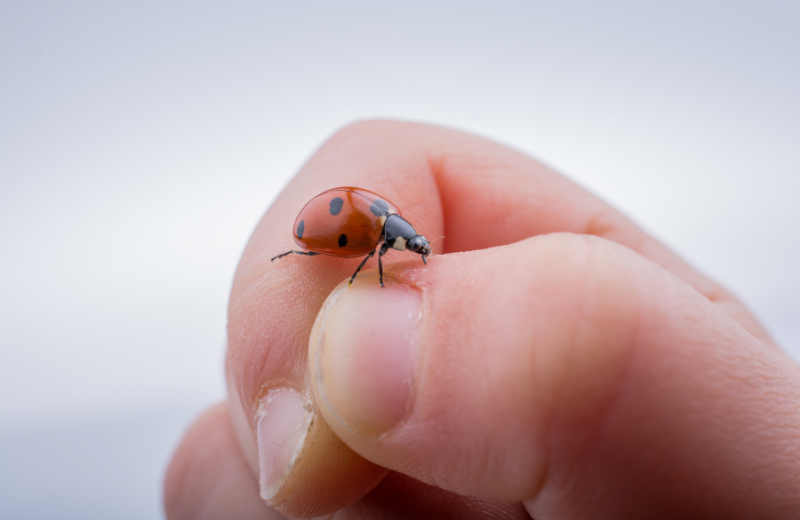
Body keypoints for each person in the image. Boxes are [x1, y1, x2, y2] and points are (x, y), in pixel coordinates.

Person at [164, 121, 800, 519]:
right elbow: (358, 248)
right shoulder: (379, 231)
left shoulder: (383, 227)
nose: (416, 250)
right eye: (412, 245)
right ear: (404, 236)